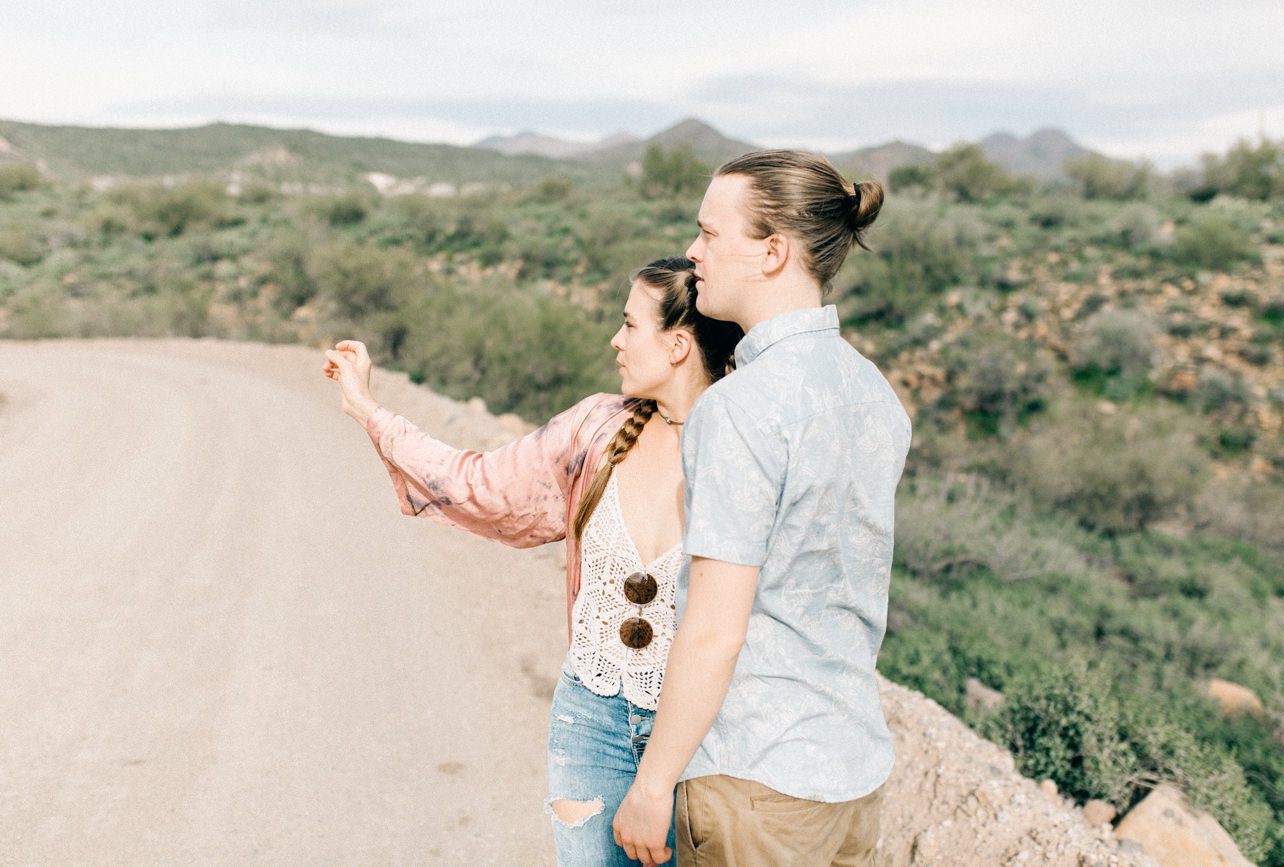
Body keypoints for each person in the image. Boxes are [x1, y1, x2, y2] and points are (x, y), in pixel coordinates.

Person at [322, 257, 742, 866]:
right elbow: (478, 484)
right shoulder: (596, 428)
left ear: (678, 345)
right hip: (590, 723)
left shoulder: (743, 449)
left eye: (629, 325)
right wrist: (367, 408)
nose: (615, 341)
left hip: (704, 738)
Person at [611, 152, 912, 866]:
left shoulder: (740, 408)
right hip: (850, 778)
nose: (693, 252)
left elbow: (716, 627)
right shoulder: (876, 395)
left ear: (774, 250)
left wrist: (652, 785)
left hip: (753, 780)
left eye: (710, 234)